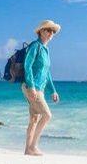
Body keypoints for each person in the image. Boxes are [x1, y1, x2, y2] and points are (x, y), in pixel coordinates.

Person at [22, 20, 61, 156]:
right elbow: (27, 66)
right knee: (47, 115)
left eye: (53, 31)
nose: (51, 33)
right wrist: (31, 86)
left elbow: (47, 73)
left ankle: (28, 150)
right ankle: (33, 146)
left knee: (34, 119)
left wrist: (53, 90)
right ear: (41, 31)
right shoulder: (35, 46)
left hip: (40, 89)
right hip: (32, 87)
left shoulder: (46, 49)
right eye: (48, 30)